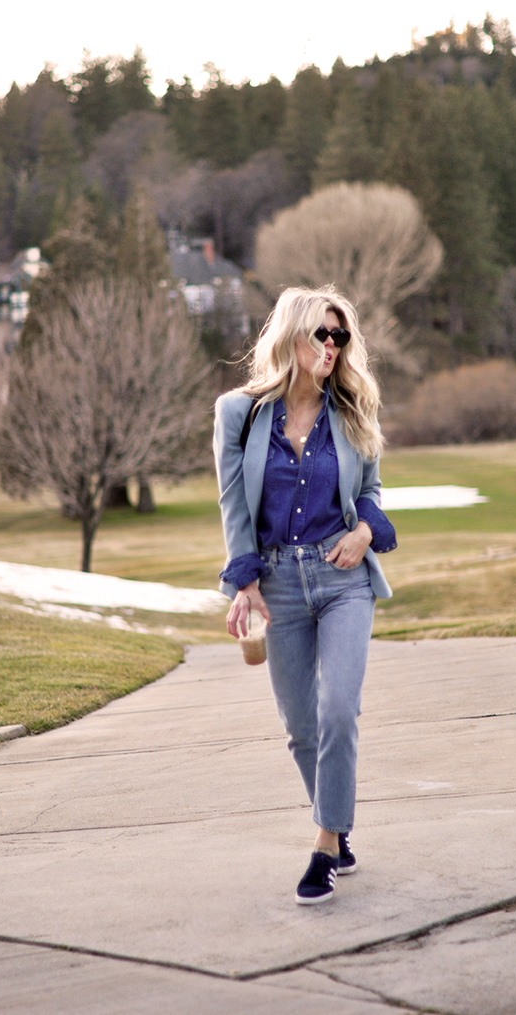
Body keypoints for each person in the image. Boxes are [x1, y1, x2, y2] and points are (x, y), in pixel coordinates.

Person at [213, 286, 396, 905]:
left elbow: (370, 491)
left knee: (339, 709)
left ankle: (323, 846)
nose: (332, 346)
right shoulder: (239, 414)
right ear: (291, 336)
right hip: (281, 583)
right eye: (322, 333)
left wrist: (365, 531)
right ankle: (338, 827)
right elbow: (233, 504)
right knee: (301, 729)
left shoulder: (351, 409)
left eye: (341, 336)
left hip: (344, 579)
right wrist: (244, 582)